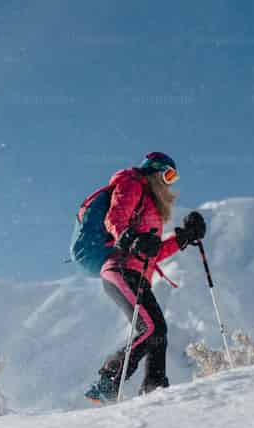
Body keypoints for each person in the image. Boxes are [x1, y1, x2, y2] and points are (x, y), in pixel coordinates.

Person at [85, 152, 206, 404]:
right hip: (119, 270)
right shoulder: (131, 184)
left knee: (158, 330)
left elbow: (153, 252)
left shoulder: (151, 205)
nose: (170, 182)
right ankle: (108, 380)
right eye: (168, 175)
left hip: (138, 274)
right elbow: (114, 219)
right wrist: (130, 238)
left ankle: (154, 387)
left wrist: (184, 237)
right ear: (154, 172)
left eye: (174, 177)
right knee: (149, 328)